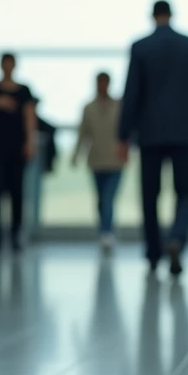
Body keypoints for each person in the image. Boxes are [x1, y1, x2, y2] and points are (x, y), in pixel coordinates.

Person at [119, 0, 188, 276]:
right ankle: (176, 239)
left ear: (152, 16)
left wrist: (122, 136)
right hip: (184, 132)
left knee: (149, 195)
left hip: (150, 134)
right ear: (171, 15)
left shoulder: (140, 47)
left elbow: (131, 94)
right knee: (186, 192)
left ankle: (154, 253)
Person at [0, 53, 37, 252]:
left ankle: (15, 234)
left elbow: (30, 116)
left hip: (16, 147)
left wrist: (30, 142)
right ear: (1, 66)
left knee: (16, 191)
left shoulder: (24, 91)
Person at [73, 71, 124, 252]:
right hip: (96, 160)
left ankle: (106, 232)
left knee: (108, 197)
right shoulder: (89, 108)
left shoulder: (119, 106)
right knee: (101, 199)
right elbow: (82, 134)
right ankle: (105, 230)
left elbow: (126, 131)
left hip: (116, 160)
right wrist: (75, 155)